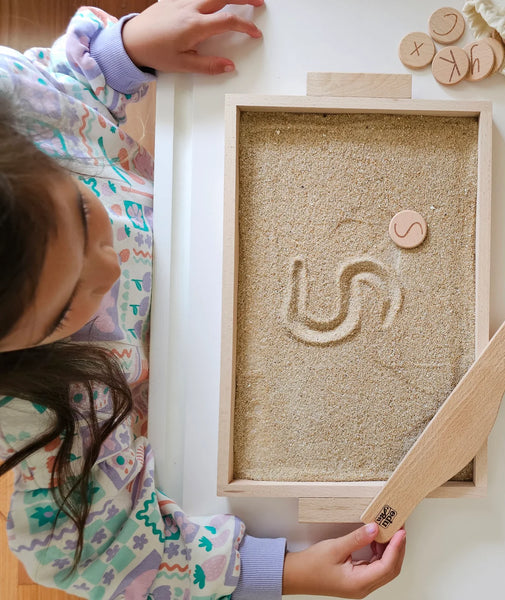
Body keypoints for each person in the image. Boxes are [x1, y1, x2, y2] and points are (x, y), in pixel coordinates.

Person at [0, 1, 406, 598]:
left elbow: (65, 89)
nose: (109, 266)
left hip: (198, 222)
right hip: (190, 395)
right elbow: (97, 555)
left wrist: (122, 53)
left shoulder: (16, 109)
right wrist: (281, 572)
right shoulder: (39, 416)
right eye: (66, 307)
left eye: (86, 218)